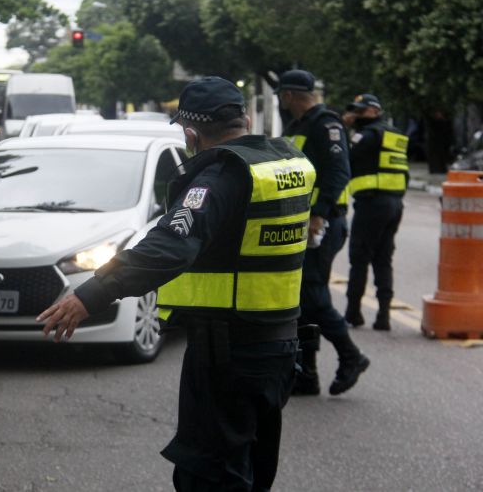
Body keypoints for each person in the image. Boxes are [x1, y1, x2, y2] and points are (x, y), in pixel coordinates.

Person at [37, 76, 315, 491]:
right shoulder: (283, 164)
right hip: (277, 346)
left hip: (229, 354)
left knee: (207, 475)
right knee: (253, 470)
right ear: (243, 117)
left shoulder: (222, 176)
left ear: (190, 132)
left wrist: (91, 294)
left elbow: (169, 246)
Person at [276, 69, 370, 396]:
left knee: (311, 295)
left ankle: (351, 356)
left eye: (280, 95)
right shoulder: (299, 126)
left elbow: (339, 172)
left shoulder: (325, 124)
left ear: (288, 95)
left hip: (323, 223)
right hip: (301, 222)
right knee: (302, 299)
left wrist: (318, 214)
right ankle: (307, 373)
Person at [343, 94, 408, 330]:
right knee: (383, 259)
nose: (357, 115)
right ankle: (383, 317)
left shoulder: (367, 135)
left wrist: (344, 128)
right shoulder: (396, 133)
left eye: (361, 111)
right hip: (394, 204)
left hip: (372, 204)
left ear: (374, 111)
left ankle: (353, 313)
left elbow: (346, 158)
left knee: (359, 258)